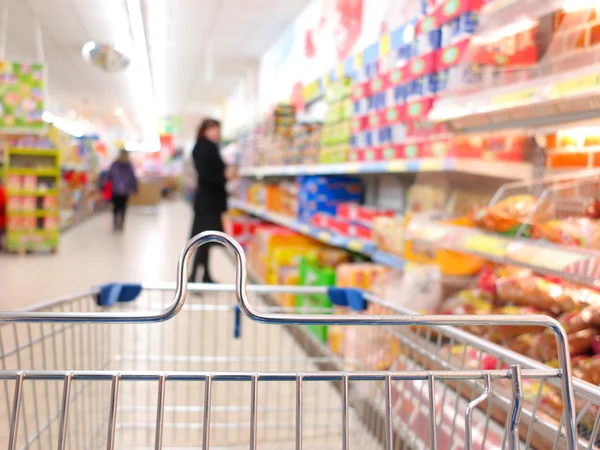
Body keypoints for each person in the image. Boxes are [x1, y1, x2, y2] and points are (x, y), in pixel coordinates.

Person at [189, 118, 230, 283]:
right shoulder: (205, 148)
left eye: (218, 129)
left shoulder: (207, 147)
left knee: (207, 239)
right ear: (204, 130)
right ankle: (193, 277)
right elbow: (207, 176)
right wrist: (225, 177)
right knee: (203, 240)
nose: (217, 132)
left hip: (208, 201)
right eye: (213, 129)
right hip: (208, 202)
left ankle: (205, 276)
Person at [107, 149, 138, 231]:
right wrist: (134, 188)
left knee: (116, 207)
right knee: (122, 207)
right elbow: (133, 177)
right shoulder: (128, 165)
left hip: (116, 189)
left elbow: (109, 175)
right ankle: (120, 224)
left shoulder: (115, 164)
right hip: (124, 190)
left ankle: (115, 224)